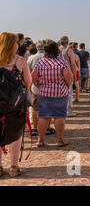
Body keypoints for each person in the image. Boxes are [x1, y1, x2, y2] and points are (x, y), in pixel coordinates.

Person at [0, 32, 32, 177]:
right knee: (16, 134)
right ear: (13, 44)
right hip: (15, 105)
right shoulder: (20, 60)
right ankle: (13, 167)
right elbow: (29, 81)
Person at [32, 41, 73, 148]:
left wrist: (40, 86)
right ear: (57, 51)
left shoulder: (40, 62)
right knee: (59, 116)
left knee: (43, 117)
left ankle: (40, 141)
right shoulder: (62, 62)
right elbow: (69, 77)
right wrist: (66, 86)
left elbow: (33, 77)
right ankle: (60, 141)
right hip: (60, 93)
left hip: (44, 93)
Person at [27, 40, 55, 137]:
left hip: (35, 87)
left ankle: (35, 128)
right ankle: (47, 128)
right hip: (49, 87)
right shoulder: (51, 58)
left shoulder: (31, 58)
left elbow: (28, 74)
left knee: (35, 108)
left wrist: (29, 86)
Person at [59, 36, 79, 117]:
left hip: (58, 73)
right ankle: (68, 111)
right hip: (67, 73)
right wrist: (75, 74)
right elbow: (73, 64)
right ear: (67, 42)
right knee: (69, 93)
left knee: (60, 93)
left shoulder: (57, 50)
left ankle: (60, 110)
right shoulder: (69, 50)